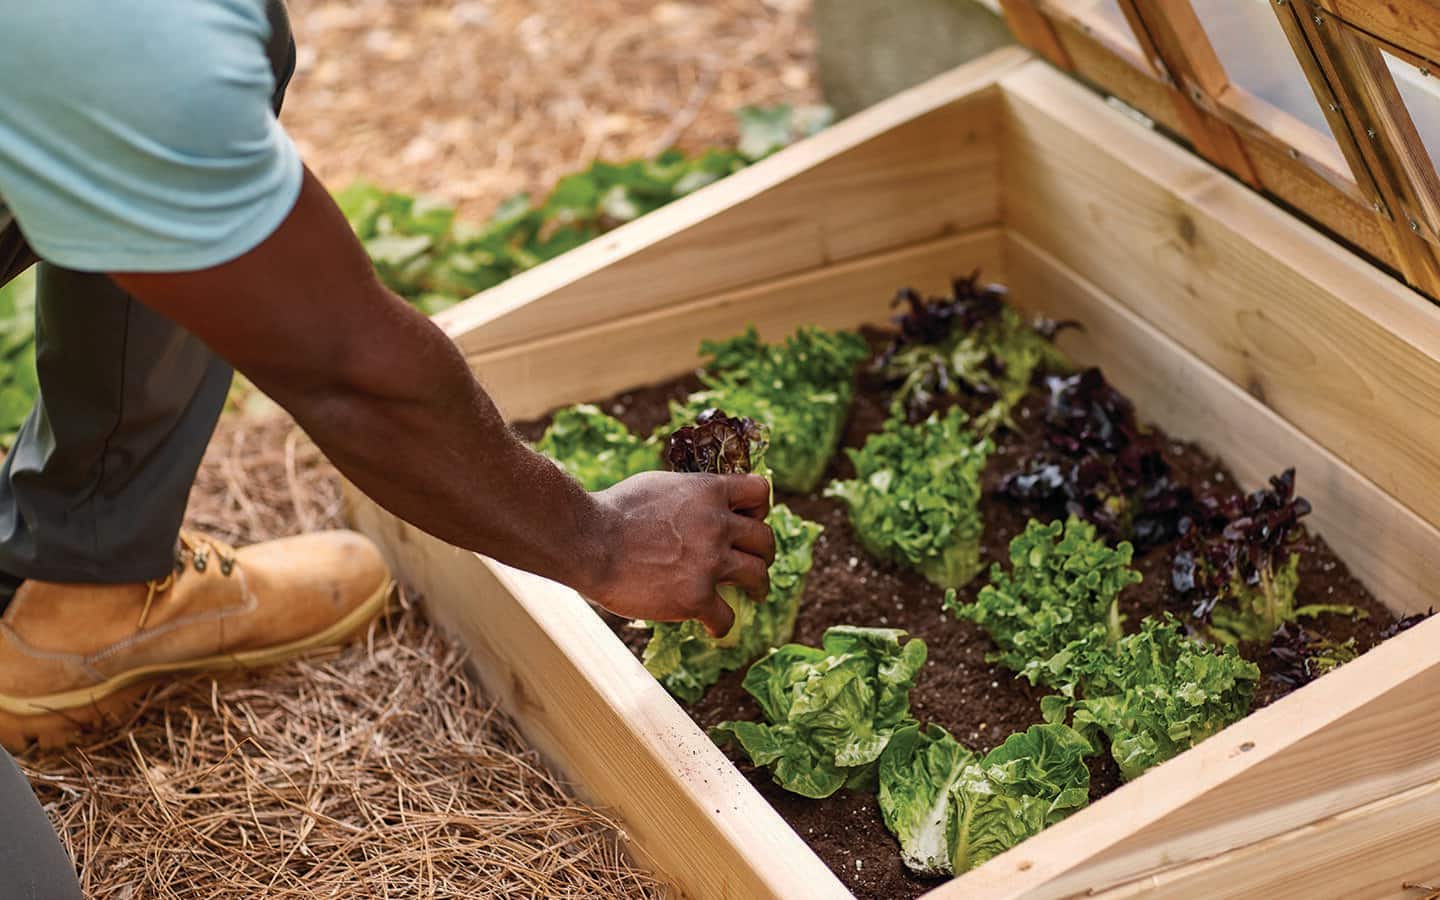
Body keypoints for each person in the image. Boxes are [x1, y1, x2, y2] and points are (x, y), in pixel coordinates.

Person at [0, 2, 776, 894]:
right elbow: (343, 370)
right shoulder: (121, 32)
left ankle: (85, 580)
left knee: (226, 71)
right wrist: (599, 540)